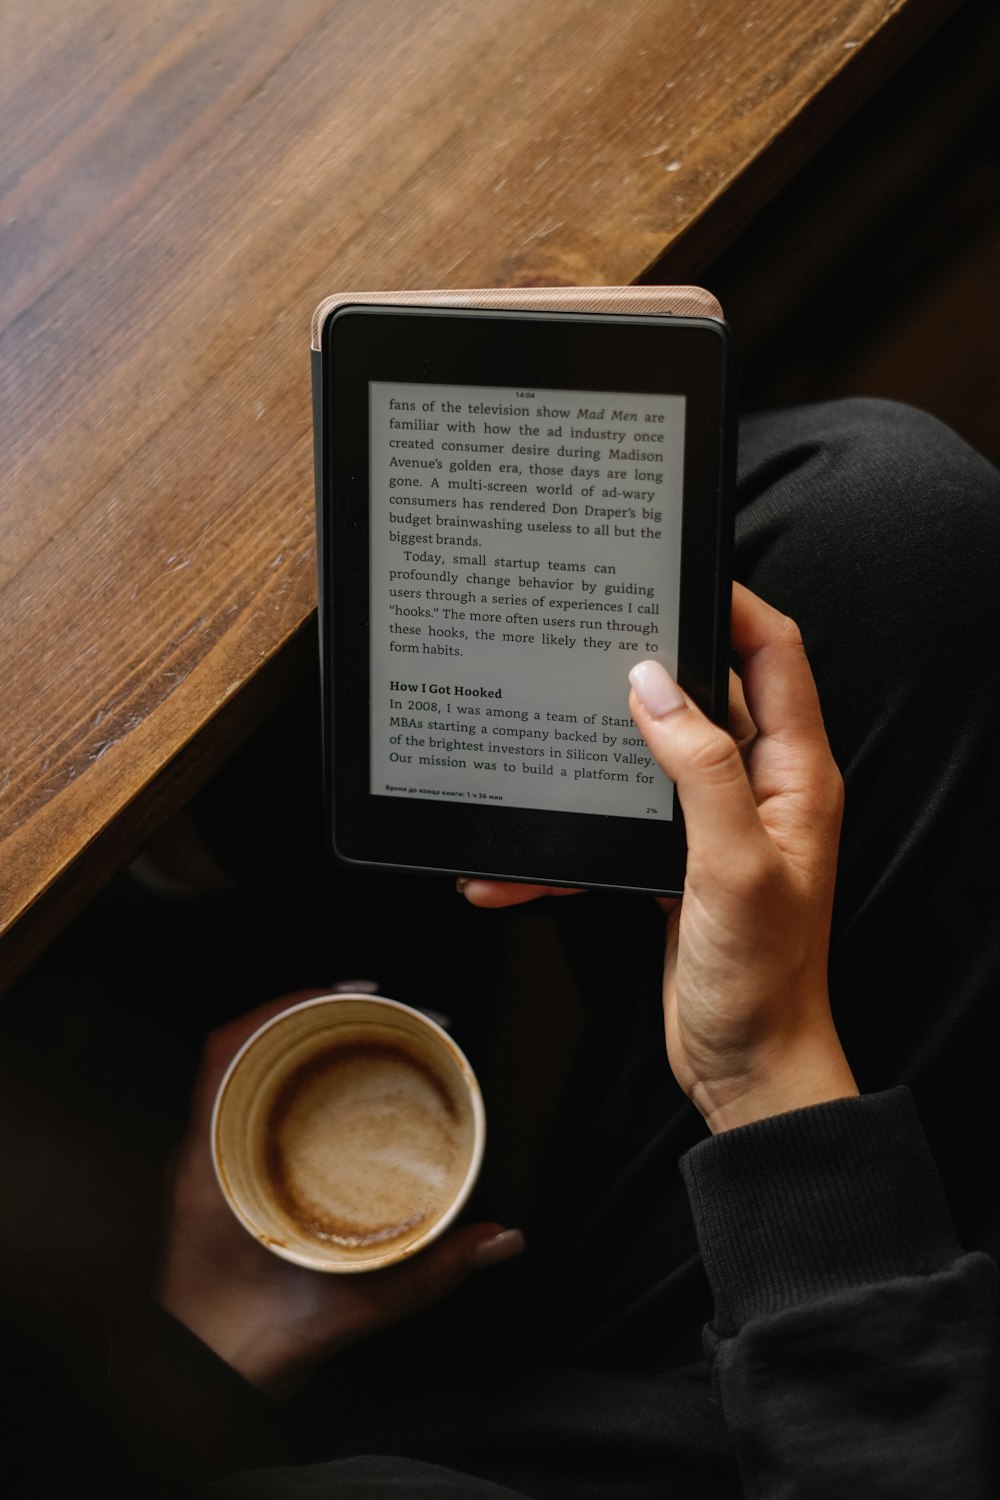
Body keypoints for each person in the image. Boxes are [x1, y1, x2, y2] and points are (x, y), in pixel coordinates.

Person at [14, 400, 1000, 1496]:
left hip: (385, 1440)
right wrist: (764, 1067)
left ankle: (204, 833)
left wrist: (212, 1359)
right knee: (883, 524)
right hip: (824, 1420)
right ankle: (242, 813)